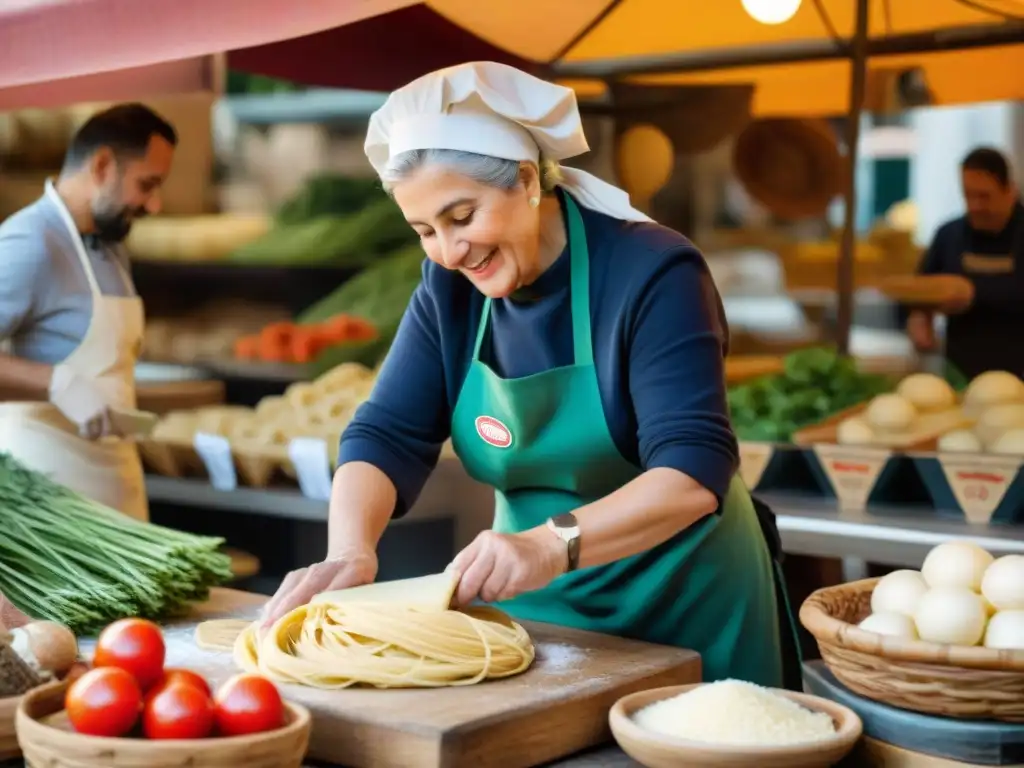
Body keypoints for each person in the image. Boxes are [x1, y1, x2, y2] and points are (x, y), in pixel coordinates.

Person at [263, 62, 800, 688]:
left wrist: (548, 546)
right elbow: (385, 434)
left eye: (462, 216)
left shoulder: (651, 272)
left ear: (525, 179)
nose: (449, 251)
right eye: (424, 231)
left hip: (688, 604)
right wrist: (350, 549)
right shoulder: (448, 288)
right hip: (538, 608)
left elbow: (693, 470)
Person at [0, 103, 177, 521]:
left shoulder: (111, 247)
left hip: (119, 498)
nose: (155, 205)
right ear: (101, 166)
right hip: (46, 514)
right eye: (146, 185)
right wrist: (54, 382)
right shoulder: (29, 243)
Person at [906, 147, 1024, 379]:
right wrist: (919, 317)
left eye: (984, 196)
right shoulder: (948, 235)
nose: (974, 206)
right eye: (968, 196)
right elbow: (919, 290)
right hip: (960, 375)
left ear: (1010, 191)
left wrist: (973, 293)